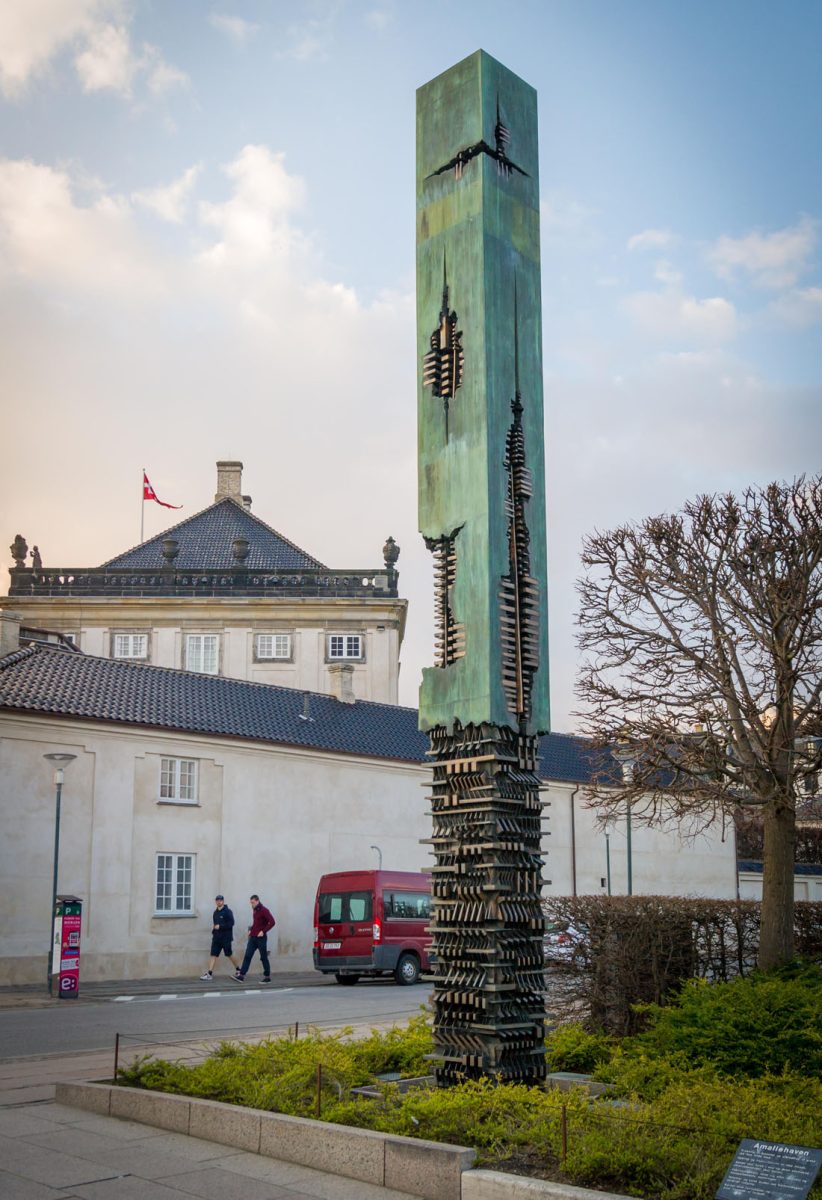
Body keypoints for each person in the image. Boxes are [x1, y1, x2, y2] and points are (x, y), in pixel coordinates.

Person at [233, 894, 275, 982]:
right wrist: (251, 929)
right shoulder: (255, 910)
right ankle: (241, 975)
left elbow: (272, 922)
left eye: (252, 902)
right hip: (252, 938)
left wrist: (263, 931)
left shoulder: (264, 910)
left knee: (263, 957)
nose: (251, 904)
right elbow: (256, 923)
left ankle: (267, 977)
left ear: (257, 901)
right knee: (247, 955)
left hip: (261, 938)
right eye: (250, 903)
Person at [199, 895, 240, 980]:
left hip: (226, 938)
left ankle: (239, 970)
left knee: (229, 954)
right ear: (215, 901)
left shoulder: (228, 911)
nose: (219, 902)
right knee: (213, 954)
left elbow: (231, 923)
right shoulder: (215, 912)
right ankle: (209, 974)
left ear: (223, 901)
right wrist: (214, 932)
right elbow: (215, 925)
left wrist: (220, 926)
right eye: (217, 900)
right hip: (216, 938)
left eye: (220, 900)